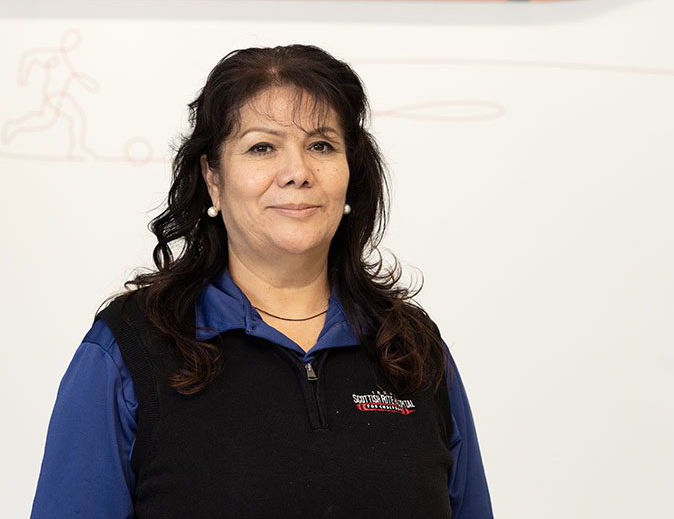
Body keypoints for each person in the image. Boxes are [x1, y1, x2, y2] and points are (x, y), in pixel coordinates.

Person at [29, 44, 492, 518]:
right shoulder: (129, 349)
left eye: (321, 146)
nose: (297, 173)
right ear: (213, 177)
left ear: (351, 174)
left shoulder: (411, 348)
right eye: (262, 147)